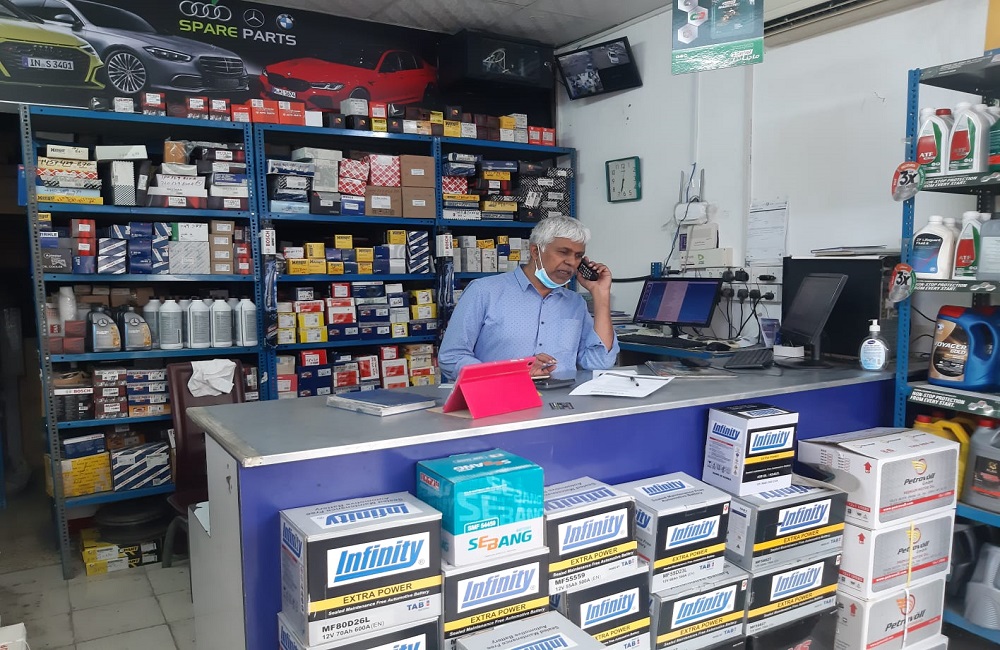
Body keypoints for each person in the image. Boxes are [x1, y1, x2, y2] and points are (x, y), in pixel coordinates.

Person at [439, 216, 618, 380]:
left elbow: (599, 362)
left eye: (578, 256)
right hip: (498, 397)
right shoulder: (484, 292)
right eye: (563, 252)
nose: (571, 262)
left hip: (560, 401)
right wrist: (509, 372)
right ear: (535, 251)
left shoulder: (575, 303)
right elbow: (451, 357)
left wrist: (601, 295)